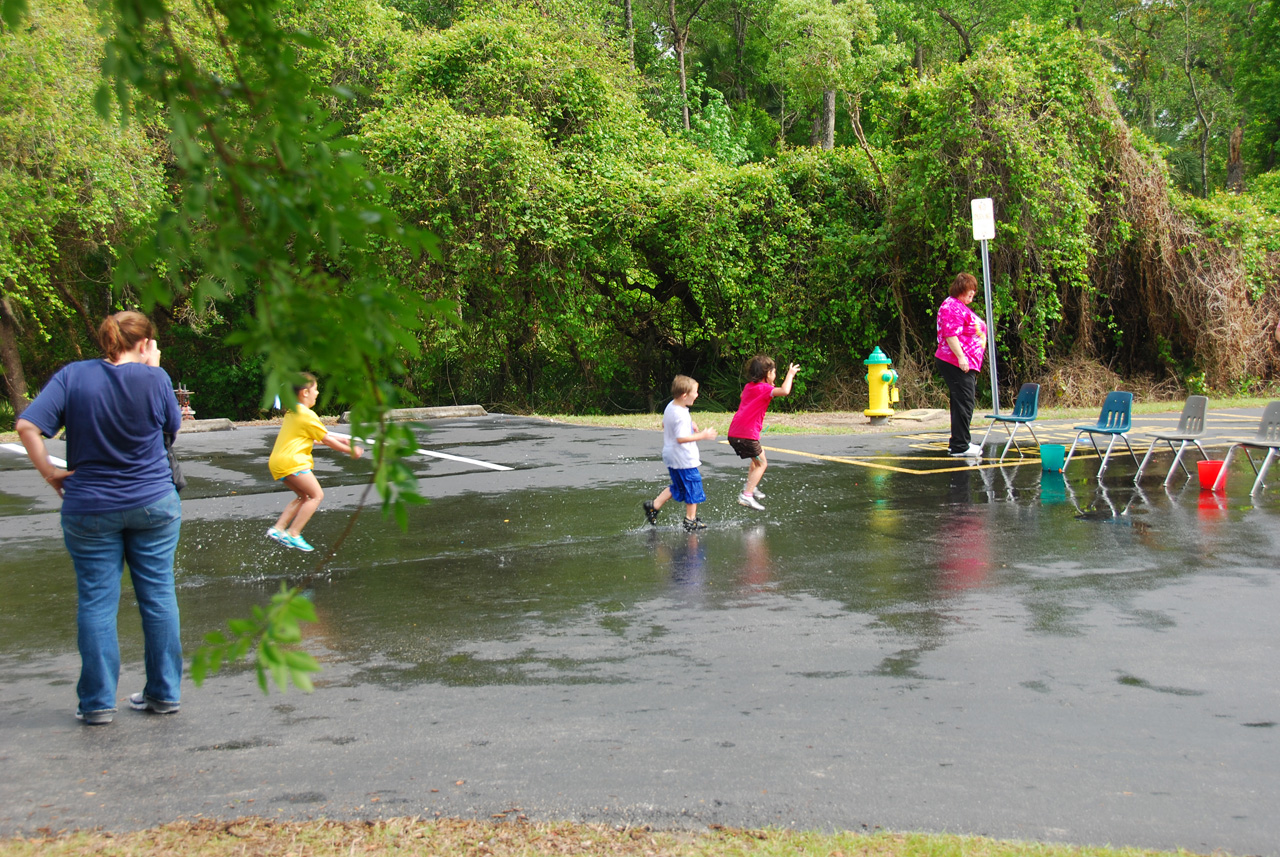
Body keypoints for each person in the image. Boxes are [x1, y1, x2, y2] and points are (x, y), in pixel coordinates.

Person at [15, 311, 184, 725]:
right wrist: (153, 372)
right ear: (145, 344)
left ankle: (96, 704)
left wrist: (50, 472)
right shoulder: (156, 378)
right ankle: (163, 694)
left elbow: (27, 426)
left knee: (96, 602)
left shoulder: (73, 376)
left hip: (89, 506)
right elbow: (172, 430)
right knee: (158, 596)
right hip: (153, 504)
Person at [266, 373, 363, 552]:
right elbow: (326, 439)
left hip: (278, 462)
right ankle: (293, 533)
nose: (317, 393)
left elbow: (315, 437)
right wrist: (350, 450)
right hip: (293, 462)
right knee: (316, 495)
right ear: (304, 392)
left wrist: (342, 441)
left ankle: (278, 529)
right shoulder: (307, 415)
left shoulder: (293, 412)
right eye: (315, 389)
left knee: (303, 497)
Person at [642, 375, 717, 532]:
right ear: (685, 395)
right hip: (683, 458)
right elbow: (681, 438)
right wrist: (703, 435)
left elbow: (665, 423)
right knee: (693, 485)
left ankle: (653, 505)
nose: (697, 395)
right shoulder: (681, 415)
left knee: (679, 486)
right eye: (695, 392)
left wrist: (690, 423)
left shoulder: (672, 406)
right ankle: (690, 520)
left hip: (671, 456)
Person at [726, 355, 799, 510]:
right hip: (747, 434)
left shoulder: (748, 387)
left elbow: (742, 396)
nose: (775, 375)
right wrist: (790, 374)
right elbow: (785, 391)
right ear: (767, 374)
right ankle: (747, 495)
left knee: (757, 458)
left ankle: (751, 486)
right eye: (774, 372)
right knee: (762, 463)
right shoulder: (765, 389)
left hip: (734, 432)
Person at [935, 272, 988, 457]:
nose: (972, 294)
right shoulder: (952, 307)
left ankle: (959, 442)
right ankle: (960, 445)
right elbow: (950, 334)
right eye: (969, 291)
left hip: (962, 362)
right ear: (960, 289)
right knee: (965, 402)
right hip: (956, 362)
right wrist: (961, 357)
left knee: (962, 402)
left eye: (974, 291)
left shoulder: (958, 306)